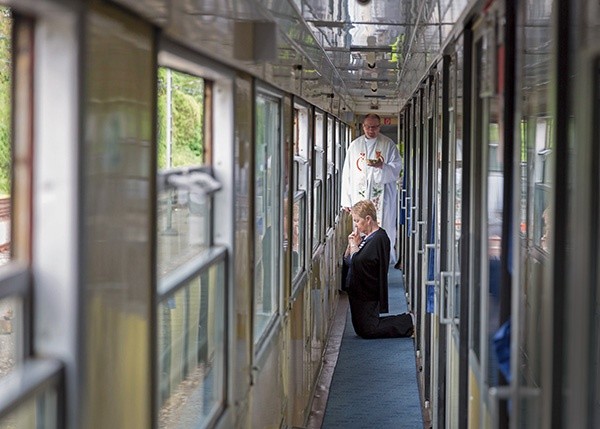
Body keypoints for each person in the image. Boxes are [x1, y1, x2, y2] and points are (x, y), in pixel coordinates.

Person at [344, 200, 413, 339]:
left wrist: (353, 246)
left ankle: (407, 322)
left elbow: (358, 262)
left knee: (369, 329)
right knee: (362, 329)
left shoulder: (379, 239)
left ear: (368, 219)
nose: (356, 225)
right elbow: (350, 260)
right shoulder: (367, 238)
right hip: (359, 291)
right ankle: (406, 321)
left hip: (367, 292)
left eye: (357, 221)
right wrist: (352, 246)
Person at [341, 113, 402, 264]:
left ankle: (382, 260)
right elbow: (347, 173)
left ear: (379, 127)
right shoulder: (355, 146)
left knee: (383, 227)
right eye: (368, 127)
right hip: (360, 196)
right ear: (363, 126)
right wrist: (346, 200)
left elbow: (396, 169)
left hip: (383, 198)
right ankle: (360, 260)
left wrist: (381, 166)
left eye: (374, 127)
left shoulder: (388, 145)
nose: (371, 130)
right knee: (360, 228)